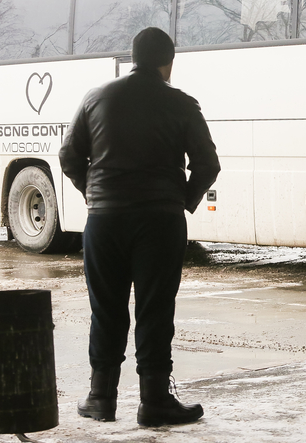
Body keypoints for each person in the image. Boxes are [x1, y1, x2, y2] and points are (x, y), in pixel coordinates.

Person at [59, 27, 221, 426]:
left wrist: (94, 194)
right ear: (169, 61)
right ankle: (154, 400)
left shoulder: (96, 97)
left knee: (107, 308)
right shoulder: (181, 104)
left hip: (104, 221)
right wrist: (182, 199)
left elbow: (68, 156)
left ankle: (100, 398)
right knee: (154, 308)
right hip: (159, 222)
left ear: (133, 58)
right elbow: (208, 164)